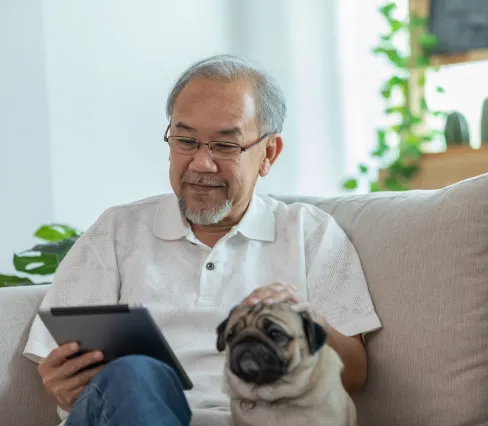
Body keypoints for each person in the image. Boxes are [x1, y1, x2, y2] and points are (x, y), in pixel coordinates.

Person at [22, 54, 382, 426]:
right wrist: (60, 383)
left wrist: (305, 318)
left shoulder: (310, 232)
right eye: (185, 141)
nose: (200, 163)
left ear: (268, 154)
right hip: (124, 412)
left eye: (225, 146)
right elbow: (57, 363)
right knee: (134, 375)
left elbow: (354, 374)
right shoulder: (118, 230)